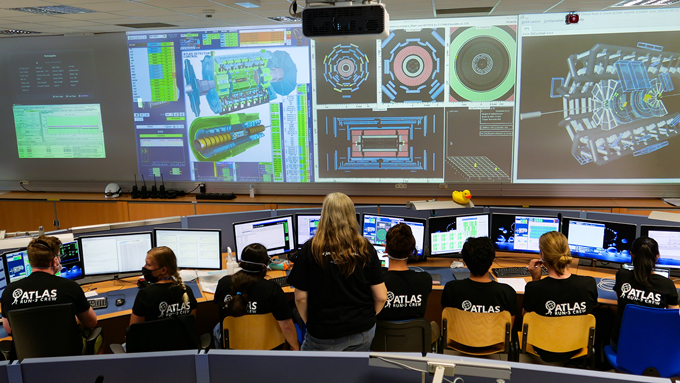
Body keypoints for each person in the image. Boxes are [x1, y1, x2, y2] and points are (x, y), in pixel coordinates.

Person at [287, 192, 388, 351]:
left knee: (316, 375)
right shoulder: (365, 248)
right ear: (351, 215)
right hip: (361, 332)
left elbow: (300, 298)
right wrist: (365, 319)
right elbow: (381, 296)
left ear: (324, 215)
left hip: (321, 333)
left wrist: (310, 323)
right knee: (355, 373)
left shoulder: (310, 249)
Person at [523, 231, 598, 362]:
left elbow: (526, 319)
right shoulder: (588, 284)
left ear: (543, 255)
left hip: (542, 347)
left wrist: (535, 279)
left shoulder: (534, 288)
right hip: (576, 346)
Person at [1, 235, 98, 336]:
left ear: (30, 262)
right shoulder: (70, 287)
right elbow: (91, 322)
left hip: (27, 351)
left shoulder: (9, 292)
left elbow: (9, 330)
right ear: (55, 261)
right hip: (68, 350)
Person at [213, 243, 300, 350]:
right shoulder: (272, 289)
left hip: (233, 348)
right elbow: (286, 327)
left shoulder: (224, 283)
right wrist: (295, 347)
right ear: (264, 267)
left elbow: (220, 313)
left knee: (217, 328)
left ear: (240, 263)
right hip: (267, 347)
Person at [611, 237, 679, 351]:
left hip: (621, 346)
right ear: (657, 256)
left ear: (631, 254)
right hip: (653, 348)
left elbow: (620, 301)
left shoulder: (622, 275)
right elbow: (674, 318)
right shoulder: (666, 284)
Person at [441, 237, 517, 324]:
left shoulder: (451, 289)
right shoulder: (507, 293)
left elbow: (446, 322)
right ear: (491, 262)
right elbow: (508, 329)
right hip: (495, 338)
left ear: (465, 262)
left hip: (459, 337)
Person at [377, 223, 432, 321]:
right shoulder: (425, 280)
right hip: (414, 335)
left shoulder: (378, 281)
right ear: (411, 251)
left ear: (386, 249)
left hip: (383, 335)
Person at [130, 246, 197, 325]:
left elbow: (134, 332)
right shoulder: (187, 290)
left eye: (148, 265)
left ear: (163, 270)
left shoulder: (145, 295)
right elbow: (191, 325)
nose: (144, 267)